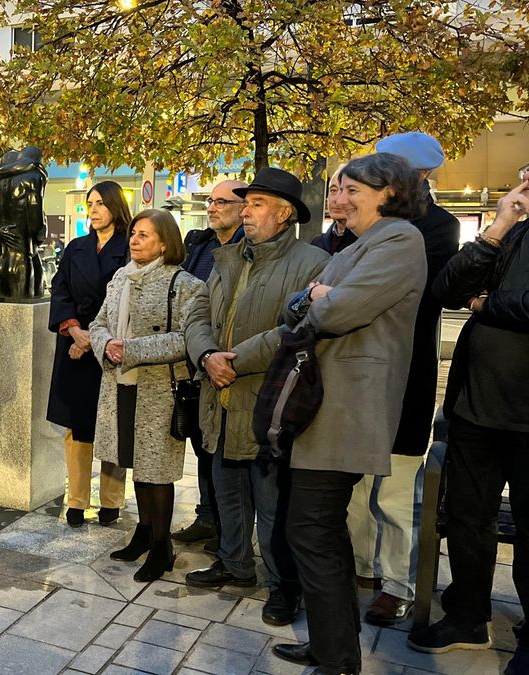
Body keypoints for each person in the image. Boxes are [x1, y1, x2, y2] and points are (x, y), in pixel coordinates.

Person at [270, 153, 427, 675]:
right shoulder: (359, 245)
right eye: (338, 190)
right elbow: (298, 306)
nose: (339, 199)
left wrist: (318, 297)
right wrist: (316, 296)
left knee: (311, 530)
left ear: (390, 193)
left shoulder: (401, 240)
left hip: (348, 409)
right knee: (320, 531)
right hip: (323, 406)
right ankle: (330, 645)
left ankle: (337, 659)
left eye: (353, 190)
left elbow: (337, 311)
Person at [183, 167, 328, 627]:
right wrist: (206, 354)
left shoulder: (311, 263)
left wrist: (234, 359)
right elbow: (197, 312)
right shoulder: (226, 256)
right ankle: (234, 563)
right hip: (220, 394)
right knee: (227, 489)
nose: (245, 211)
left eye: (256, 204)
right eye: (245, 203)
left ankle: (284, 586)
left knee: (272, 504)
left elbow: (298, 329)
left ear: (284, 214)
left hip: (267, 399)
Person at [406, 176, 529, 662]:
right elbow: (447, 288)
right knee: (466, 518)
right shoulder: (510, 231)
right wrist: (498, 225)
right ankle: (468, 616)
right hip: (476, 407)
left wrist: (485, 303)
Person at [346, 132, 461, 626]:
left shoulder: (438, 227)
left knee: (394, 492)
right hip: (353, 372)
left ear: (415, 178)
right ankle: (360, 569)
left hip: (406, 374)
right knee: (352, 486)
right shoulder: (356, 223)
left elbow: (413, 293)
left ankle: (396, 583)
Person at [89, 210, 203, 581]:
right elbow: (98, 322)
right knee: (134, 461)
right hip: (120, 382)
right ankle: (143, 532)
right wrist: (106, 344)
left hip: (159, 388)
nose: (135, 240)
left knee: (158, 471)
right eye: (134, 234)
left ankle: (161, 547)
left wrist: (132, 348)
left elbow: (188, 338)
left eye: (144, 235)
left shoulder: (184, 284)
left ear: (165, 243)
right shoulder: (121, 276)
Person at [47, 181, 131, 528]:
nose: (93, 210)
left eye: (100, 203)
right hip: (74, 344)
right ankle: (77, 500)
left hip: (110, 347)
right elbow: (60, 288)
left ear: (115, 206)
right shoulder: (76, 247)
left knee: (112, 425)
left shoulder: (130, 247)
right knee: (77, 428)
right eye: (90, 203)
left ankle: (111, 501)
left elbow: (127, 299)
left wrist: (93, 339)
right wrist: (75, 330)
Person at [172, 180, 247, 550]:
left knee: (229, 454)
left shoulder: (250, 249)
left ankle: (231, 534)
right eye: (210, 201)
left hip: (233, 366)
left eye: (222, 201)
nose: (212, 207)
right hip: (196, 360)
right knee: (202, 444)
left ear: (243, 207)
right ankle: (208, 517)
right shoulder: (200, 246)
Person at [311, 170, 359, 255]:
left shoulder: (366, 243)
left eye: (349, 191)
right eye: (333, 190)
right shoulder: (317, 244)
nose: (337, 200)